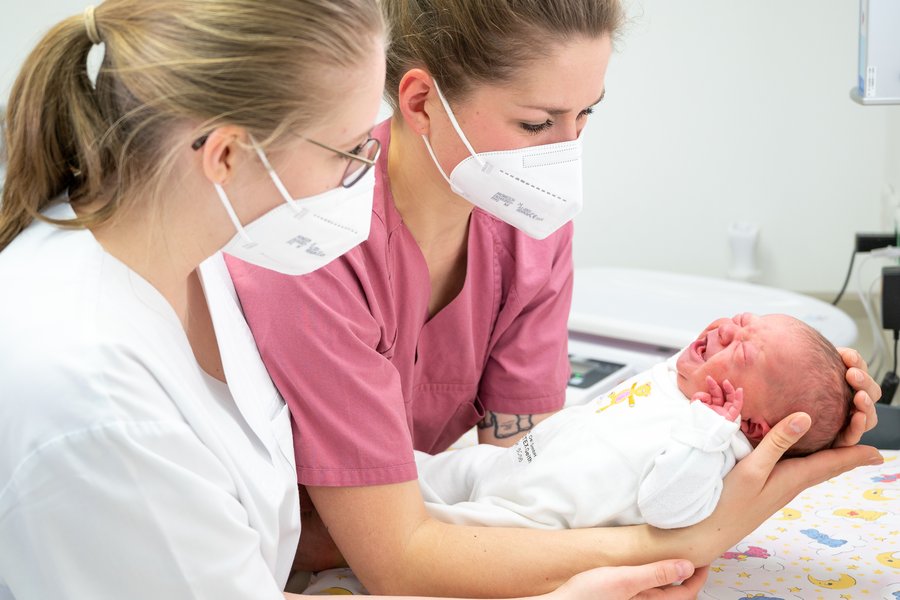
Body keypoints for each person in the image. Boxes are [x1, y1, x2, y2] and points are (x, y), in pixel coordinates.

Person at [0, 1, 719, 598]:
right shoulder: (98, 394)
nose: (366, 175)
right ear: (225, 154)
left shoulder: (193, 265)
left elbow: (431, 485)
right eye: (350, 151)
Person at [224, 0, 882, 596]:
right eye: (538, 122)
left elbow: (532, 479)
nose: (566, 152)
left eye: (586, 112)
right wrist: (681, 546)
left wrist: (782, 429)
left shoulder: (529, 227)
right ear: (421, 102)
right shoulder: (312, 244)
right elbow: (396, 561)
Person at [415, 313, 852, 530]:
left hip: (535, 518)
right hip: (507, 463)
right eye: (739, 321)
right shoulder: (677, 377)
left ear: (752, 425)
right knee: (410, 471)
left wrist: (707, 431)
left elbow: (668, 510)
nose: (725, 332)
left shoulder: (711, 448)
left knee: (431, 532)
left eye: (741, 352)